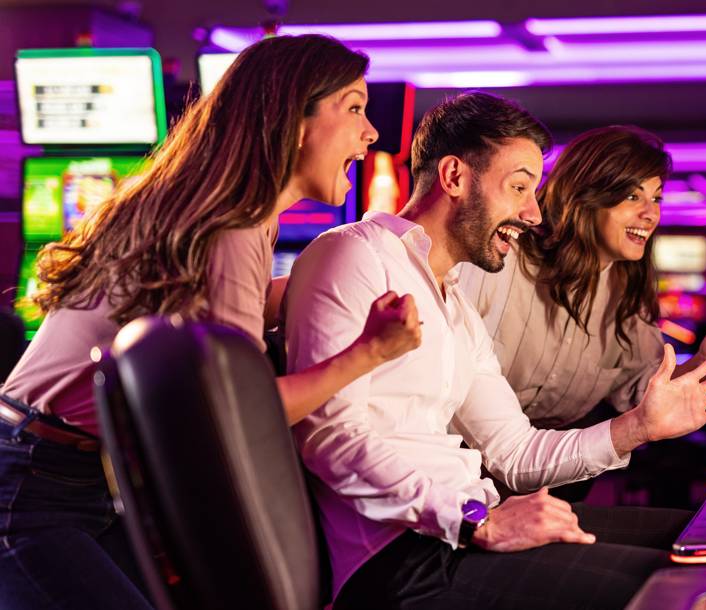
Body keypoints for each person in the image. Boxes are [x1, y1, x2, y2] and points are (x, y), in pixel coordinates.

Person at [284, 91, 706, 610]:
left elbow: (514, 452)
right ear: (455, 177)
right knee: (692, 594)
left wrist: (639, 426)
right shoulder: (356, 252)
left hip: (458, 529)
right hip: (400, 560)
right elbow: (331, 438)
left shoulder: (453, 304)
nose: (533, 212)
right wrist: (475, 521)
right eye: (518, 188)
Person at [0, 35, 420, 610]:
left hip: (79, 471)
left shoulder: (234, 213)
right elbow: (237, 416)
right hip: (33, 482)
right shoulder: (234, 228)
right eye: (353, 108)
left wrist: (337, 282)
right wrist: (369, 352)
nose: (371, 132)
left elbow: (218, 320)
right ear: (293, 121)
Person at [458, 126, 706, 501]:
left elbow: (643, 391)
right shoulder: (502, 259)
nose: (651, 214)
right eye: (632, 196)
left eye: (656, 197)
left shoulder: (626, 293)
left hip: (549, 480)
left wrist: (705, 365)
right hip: (458, 479)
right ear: (585, 197)